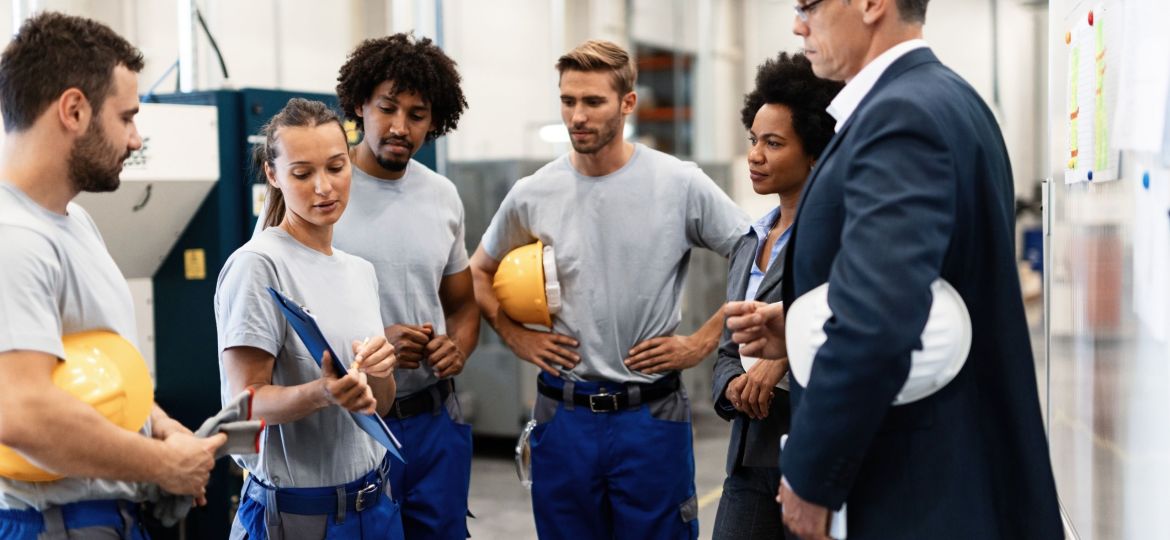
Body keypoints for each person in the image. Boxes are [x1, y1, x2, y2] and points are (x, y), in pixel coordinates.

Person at [725, 1, 1063, 538]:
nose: (797, 23)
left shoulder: (901, 118)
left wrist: (813, 474)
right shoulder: (946, 98)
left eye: (808, 4)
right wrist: (797, 322)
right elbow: (923, 287)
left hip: (915, 484)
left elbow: (877, 322)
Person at [469, 39, 749, 540]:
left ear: (627, 103)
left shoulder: (678, 183)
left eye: (593, 101)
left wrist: (705, 341)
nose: (577, 115)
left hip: (650, 417)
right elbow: (477, 272)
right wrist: (516, 337)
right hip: (564, 415)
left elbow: (754, 252)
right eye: (568, 100)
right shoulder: (533, 193)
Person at [0, 12, 225, 539]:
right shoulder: (13, 238)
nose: (135, 138)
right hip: (48, 524)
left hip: (105, 516)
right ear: (74, 110)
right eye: (126, 117)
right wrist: (161, 464)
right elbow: (21, 411)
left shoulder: (74, 222)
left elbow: (100, 371)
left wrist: (162, 428)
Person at [215, 98, 400, 540]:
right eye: (302, 173)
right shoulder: (259, 265)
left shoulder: (359, 271)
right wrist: (322, 392)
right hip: (299, 516)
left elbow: (382, 405)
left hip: (374, 503)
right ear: (273, 176)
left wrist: (379, 373)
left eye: (336, 167)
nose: (324, 187)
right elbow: (245, 405)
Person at [333, 33, 477, 540]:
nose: (400, 127)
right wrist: (375, 347)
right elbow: (281, 315)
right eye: (387, 108)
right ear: (359, 105)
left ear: (434, 121)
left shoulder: (442, 196)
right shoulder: (321, 191)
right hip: (354, 426)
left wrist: (455, 348)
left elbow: (462, 305)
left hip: (436, 424)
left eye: (417, 115)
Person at [710, 52, 840, 540]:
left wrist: (781, 357)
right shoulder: (749, 242)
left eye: (773, 142)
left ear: (814, 152)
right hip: (748, 457)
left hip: (814, 455)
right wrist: (731, 388)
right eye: (753, 140)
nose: (755, 155)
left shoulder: (837, 240)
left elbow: (852, 331)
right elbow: (727, 350)